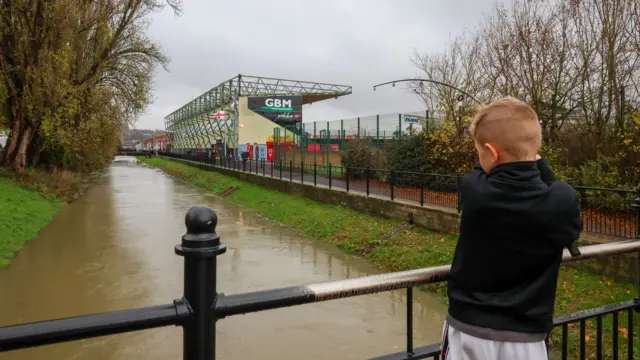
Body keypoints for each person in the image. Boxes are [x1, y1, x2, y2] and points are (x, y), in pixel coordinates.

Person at [441, 97, 582, 360]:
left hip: (469, 331)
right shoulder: (561, 200)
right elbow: (552, 185)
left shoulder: (474, 189)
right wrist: (533, 157)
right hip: (526, 339)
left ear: (492, 154)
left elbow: (478, 172)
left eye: (479, 153)